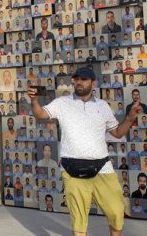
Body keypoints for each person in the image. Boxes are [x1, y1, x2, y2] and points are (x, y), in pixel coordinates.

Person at [30, 67, 140, 236]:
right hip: (72, 168)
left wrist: (130, 118)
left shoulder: (103, 106)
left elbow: (117, 133)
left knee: (116, 211)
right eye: (76, 79)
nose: (79, 82)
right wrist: (34, 101)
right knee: (79, 220)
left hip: (102, 167)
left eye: (84, 79)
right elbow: (40, 115)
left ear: (93, 83)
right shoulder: (63, 102)